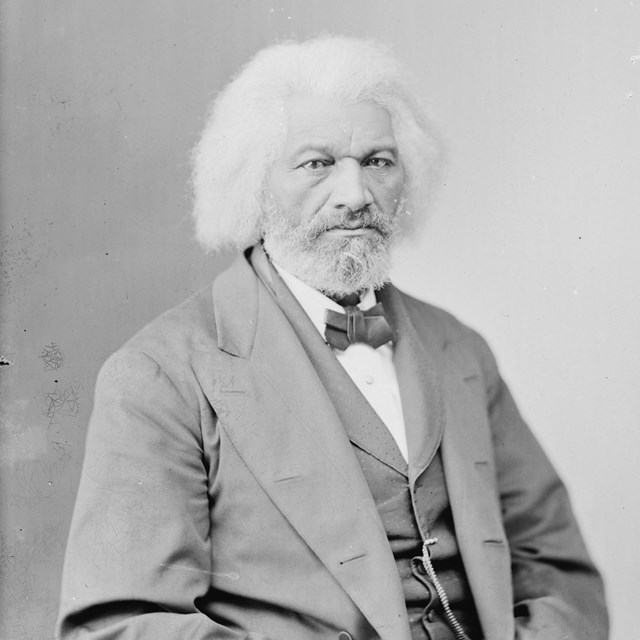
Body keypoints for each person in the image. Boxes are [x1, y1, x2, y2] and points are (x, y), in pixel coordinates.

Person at [57, 36, 608, 640]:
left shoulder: (459, 348)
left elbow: (556, 569)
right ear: (254, 184)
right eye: (317, 163)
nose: (355, 196)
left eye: (378, 161)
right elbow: (118, 625)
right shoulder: (160, 375)